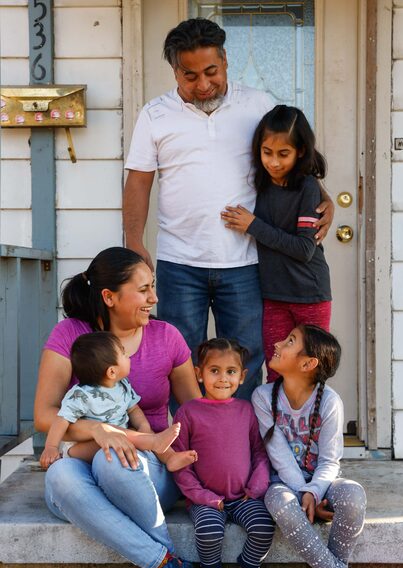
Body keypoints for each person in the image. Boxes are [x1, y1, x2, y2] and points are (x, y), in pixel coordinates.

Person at [123, 17, 334, 400]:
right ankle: (188, 445)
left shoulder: (257, 104)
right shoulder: (155, 114)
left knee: (246, 361)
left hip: (246, 262)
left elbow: (290, 156)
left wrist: (324, 198)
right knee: (181, 359)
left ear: (225, 60)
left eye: (211, 71)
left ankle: (237, 448)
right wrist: (133, 241)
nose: (202, 85)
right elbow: (139, 180)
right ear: (174, 70)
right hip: (179, 260)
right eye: (189, 75)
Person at [34, 247, 206, 568]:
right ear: (110, 297)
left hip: (150, 465)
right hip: (83, 459)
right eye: (143, 290)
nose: (154, 298)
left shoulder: (167, 338)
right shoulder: (71, 334)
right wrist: (99, 429)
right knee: (61, 474)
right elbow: (45, 415)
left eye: (153, 288)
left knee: (114, 462)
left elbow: (195, 414)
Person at [251, 325, 391, 568]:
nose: (277, 343)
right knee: (278, 502)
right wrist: (304, 493)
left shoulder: (329, 402)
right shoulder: (263, 397)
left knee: (353, 494)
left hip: (321, 484)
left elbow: (330, 460)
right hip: (284, 484)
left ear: (307, 363)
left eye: (289, 341)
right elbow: (279, 455)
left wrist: (315, 492)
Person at [222, 105, 332, 382]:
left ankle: (312, 425)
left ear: (301, 152)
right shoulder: (259, 183)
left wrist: (253, 226)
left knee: (310, 370)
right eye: (267, 152)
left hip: (310, 294)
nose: (274, 162)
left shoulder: (307, 187)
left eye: (283, 154)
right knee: (276, 369)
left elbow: (305, 249)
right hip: (272, 296)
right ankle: (277, 426)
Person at [172, 338, 274, 568]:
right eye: (214, 370)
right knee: (208, 530)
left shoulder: (246, 411)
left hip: (243, 496)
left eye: (230, 372)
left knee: (263, 526)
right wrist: (202, 497)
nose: (222, 378)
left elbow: (260, 453)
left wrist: (256, 488)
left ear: (242, 377)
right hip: (206, 498)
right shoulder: (188, 412)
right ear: (199, 374)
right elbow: (180, 463)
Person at [39, 331, 188, 470]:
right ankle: (154, 442)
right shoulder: (81, 395)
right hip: (82, 448)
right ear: (111, 371)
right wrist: (51, 447)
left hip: (120, 438)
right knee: (137, 439)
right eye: (123, 354)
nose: (128, 356)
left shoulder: (123, 385)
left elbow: (133, 409)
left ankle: (170, 458)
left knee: (138, 435)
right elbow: (62, 420)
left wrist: (144, 427)